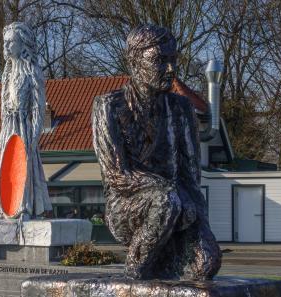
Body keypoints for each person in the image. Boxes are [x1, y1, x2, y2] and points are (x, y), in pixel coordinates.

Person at [92, 25, 221, 280]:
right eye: (160, 61)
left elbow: (191, 174)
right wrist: (168, 191)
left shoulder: (181, 107)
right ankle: (135, 271)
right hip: (128, 204)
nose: (171, 69)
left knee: (208, 263)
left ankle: (167, 266)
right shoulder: (109, 105)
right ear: (134, 61)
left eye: (173, 60)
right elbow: (117, 174)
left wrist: (201, 224)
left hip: (179, 204)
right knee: (165, 201)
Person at [0, 22, 52, 220]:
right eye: (4, 42)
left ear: (22, 44)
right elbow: (2, 104)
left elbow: (38, 107)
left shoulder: (32, 72)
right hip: (9, 124)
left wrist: (34, 136)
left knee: (22, 166)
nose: (6, 47)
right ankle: (3, 207)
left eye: (10, 42)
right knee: (4, 166)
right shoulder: (6, 73)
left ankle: (23, 206)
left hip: (23, 125)